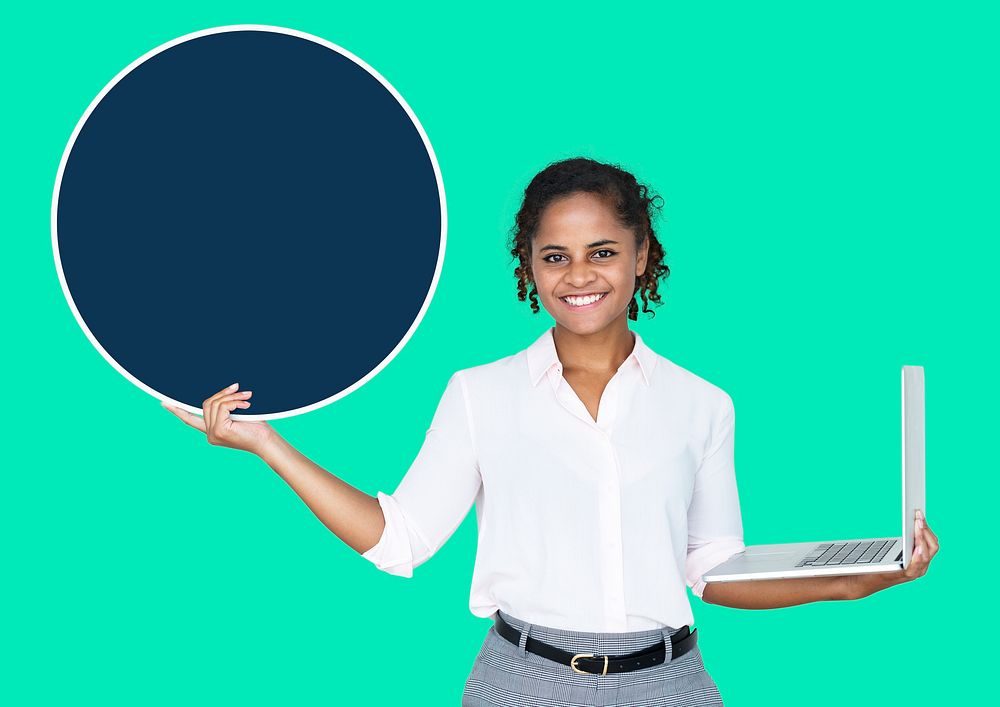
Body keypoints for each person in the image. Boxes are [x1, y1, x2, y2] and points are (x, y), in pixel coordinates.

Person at [163, 157, 939, 706]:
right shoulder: (481, 394)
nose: (580, 275)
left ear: (642, 256)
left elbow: (713, 570)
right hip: (522, 683)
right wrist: (268, 445)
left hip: (670, 684)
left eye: (603, 251)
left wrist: (866, 573)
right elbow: (399, 539)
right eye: (555, 256)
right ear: (528, 267)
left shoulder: (703, 404)